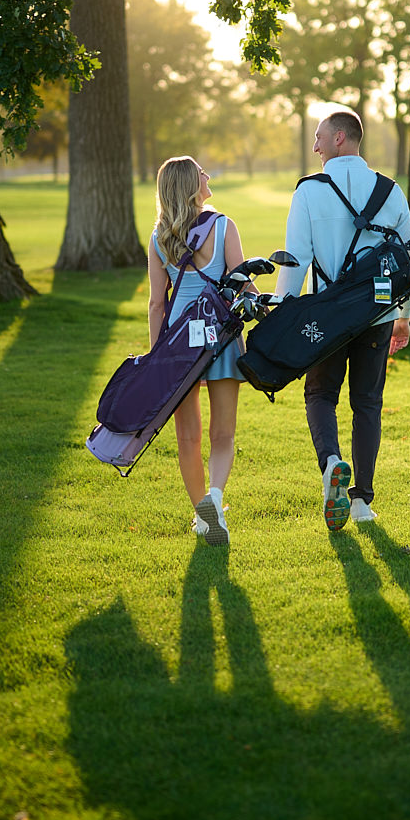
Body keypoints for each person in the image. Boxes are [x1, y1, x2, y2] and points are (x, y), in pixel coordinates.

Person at [276, 108, 410, 531]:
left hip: (327, 317)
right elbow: (409, 260)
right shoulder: (391, 192)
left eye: (319, 137)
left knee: (319, 395)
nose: (314, 146)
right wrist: (403, 316)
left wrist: (283, 313)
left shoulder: (308, 192)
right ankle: (362, 502)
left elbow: (295, 260)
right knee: (368, 404)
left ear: (339, 139)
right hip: (377, 315)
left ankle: (332, 463)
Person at [148, 156, 248, 546]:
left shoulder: (159, 237)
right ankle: (216, 499)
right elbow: (241, 283)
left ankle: (202, 517)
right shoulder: (223, 225)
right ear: (192, 184)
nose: (208, 175)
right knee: (223, 434)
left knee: (188, 438)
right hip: (219, 338)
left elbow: (157, 304)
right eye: (202, 172)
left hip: (178, 346)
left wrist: (157, 357)